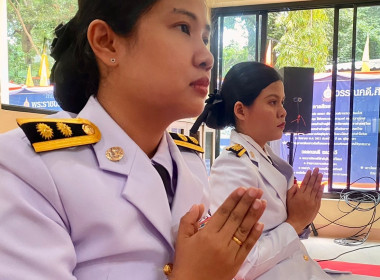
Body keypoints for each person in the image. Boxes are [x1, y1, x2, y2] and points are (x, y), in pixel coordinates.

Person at [0, 2, 267, 280]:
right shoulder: (25, 167)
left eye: (205, 38)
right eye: (183, 28)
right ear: (107, 43)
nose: (207, 57)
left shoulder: (189, 163)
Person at [192, 61, 332, 279]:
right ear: (241, 110)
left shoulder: (266, 156)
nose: (283, 112)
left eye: (282, 102)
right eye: (273, 102)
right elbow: (240, 264)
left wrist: (299, 218)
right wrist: (296, 222)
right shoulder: (233, 165)